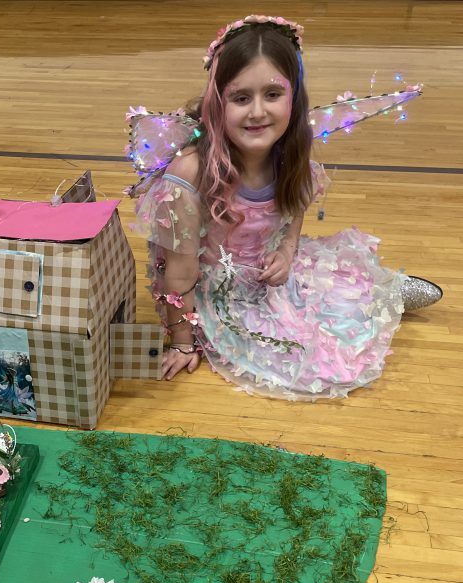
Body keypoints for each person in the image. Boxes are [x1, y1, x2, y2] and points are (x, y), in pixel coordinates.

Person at [134, 15, 441, 395]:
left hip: (269, 271)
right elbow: (177, 271)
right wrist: (182, 338)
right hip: (214, 293)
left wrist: (287, 247)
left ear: (293, 98)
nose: (258, 112)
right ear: (218, 102)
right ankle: (375, 298)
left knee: (340, 289)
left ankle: (379, 293)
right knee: (311, 356)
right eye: (241, 98)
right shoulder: (191, 172)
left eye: (273, 95)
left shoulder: (289, 149)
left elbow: (294, 206)